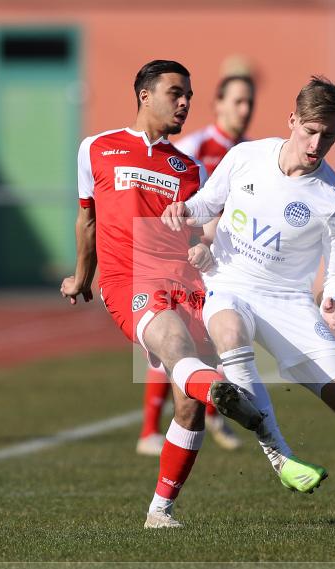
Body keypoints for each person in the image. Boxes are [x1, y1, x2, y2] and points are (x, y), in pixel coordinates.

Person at [162, 76, 335, 525]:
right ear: (292, 120)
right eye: (310, 130)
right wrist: (184, 212)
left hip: (289, 303)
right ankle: (281, 457)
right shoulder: (245, 157)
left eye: (328, 134)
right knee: (229, 332)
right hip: (229, 282)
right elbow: (205, 204)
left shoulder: (334, 198)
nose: (317, 143)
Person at [59, 60, 268, 529]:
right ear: (143, 95)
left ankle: (160, 510)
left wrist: (204, 251)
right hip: (129, 281)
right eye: (175, 92)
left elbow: (199, 235)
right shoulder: (97, 148)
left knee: (190, 405)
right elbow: (87, 219)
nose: (184, 102)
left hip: (186, 285)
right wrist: (80, 277)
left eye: (188, 94)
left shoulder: (188, 168)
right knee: (174, 348)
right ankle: (222, 393)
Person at [136, 75, 256, 456]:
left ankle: (211, 412)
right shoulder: (193, 148)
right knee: (174, 337)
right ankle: (151, 430)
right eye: (237, 101)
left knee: (214, 339)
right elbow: (171, 200)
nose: (245, 109)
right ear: (218, 104)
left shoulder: (252, 154)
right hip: (187, 255)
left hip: (228, 257)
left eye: (249, 102)